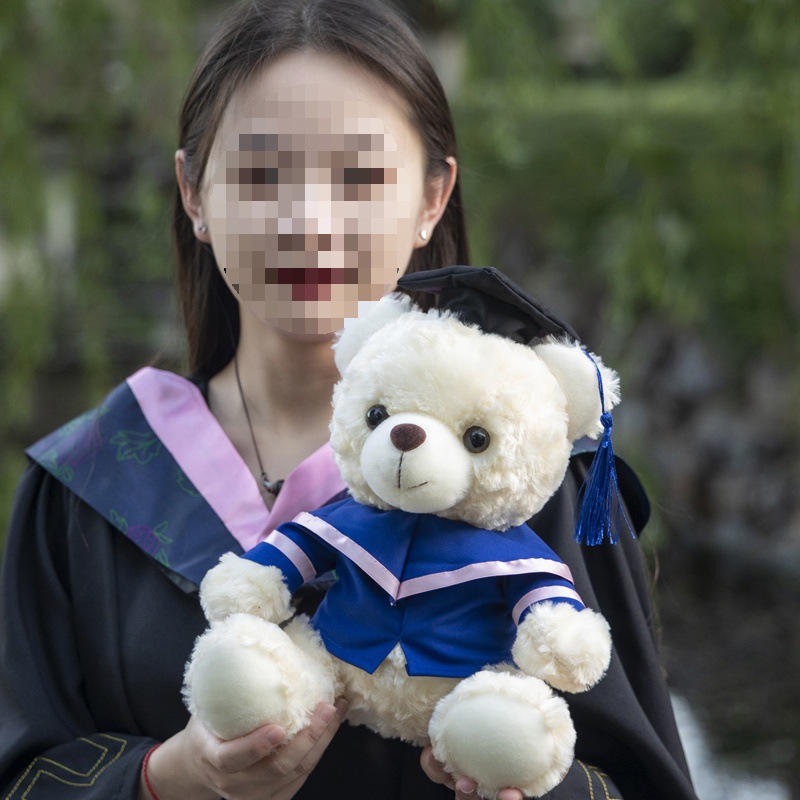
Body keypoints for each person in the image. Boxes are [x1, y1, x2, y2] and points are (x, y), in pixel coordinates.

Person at [0, 1, 699, 799]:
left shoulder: (523, 475)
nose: (309, 223)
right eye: (262, 176)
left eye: (360, 178)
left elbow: (640, 782)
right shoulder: (90, 484)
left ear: (432, 199)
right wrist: (166, 780)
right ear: (193, 194)